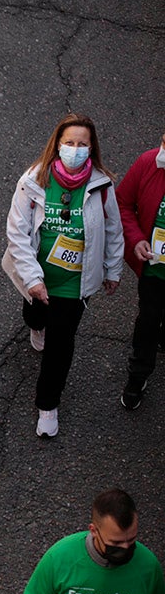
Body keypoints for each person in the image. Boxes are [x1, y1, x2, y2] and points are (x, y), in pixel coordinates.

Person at [2, 113, 124, 438]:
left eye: (82, 144)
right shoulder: (33, 180)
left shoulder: (102, 186)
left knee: (61, 346)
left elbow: (113, 231)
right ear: (57, 144)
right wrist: (32, 279)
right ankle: (36, 324)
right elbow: (17, 232)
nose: (75, 149)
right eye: (69, 143)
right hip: (38, 274)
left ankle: (47, 403)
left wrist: (113, 270)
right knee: (34, 314)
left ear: (91, 148)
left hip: (74, 283)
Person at [12, 488, 165, 594]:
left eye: (131, 540)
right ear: (93, 530)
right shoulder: (60, 558)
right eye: (115, 543)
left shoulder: (148, 566)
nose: (124, 548)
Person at [117, 132, 165, 410]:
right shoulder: (148, 163)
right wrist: (135, 239)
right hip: (154, 272)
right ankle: (138, 376)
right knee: (148, 320)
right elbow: (123, 203)